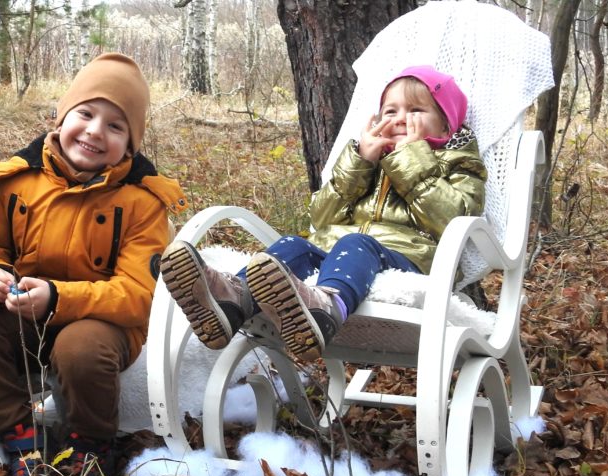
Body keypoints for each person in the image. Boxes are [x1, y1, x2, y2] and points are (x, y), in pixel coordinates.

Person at [0, 53, 187, 476]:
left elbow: (139, 295)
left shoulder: (142, 202)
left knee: (79, 347)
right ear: (61, 116)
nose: (95, 131)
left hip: (102, 324)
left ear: (130, 144)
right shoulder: (14, 181)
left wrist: (57, 298)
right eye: (86, 114)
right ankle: (17, 430)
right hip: (24, 312)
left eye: (115, 126)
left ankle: (91, 440)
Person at [161, 65, 486, 359]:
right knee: (293, 245)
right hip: (342, 250)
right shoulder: (368, 160)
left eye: (416, 110)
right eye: (390, 110)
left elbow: (453, 217)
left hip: (410, 257)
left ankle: (326, 308)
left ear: (445, 124)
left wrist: (412, 158)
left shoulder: (455, 161)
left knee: (357, 244)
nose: (400, 118)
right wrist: (361, 160)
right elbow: (322, 216)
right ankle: (232, 302)